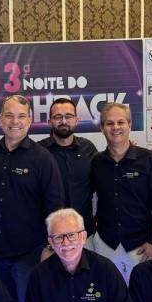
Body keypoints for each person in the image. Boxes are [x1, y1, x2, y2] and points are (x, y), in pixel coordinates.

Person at [0, 95, 64, 302]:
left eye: (21, 116)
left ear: (29, 121)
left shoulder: (43, 159)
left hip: (29, 255)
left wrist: (50, 246)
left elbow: (55, 207)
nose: (15, 121)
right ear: (0, 120)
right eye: (9, 115)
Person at [89, 103, 152, 283]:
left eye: (121, 122)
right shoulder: (96, 162)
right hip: (105, 244)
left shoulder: (148, 159)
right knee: (107, 293)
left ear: (130, 125)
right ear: (102, 128)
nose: (115, 127)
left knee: (142, 294)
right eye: (110, 123)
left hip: (141, 246)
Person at [37, 98, 97, 232]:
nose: (63, 121)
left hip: (83, 232)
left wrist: (125, 149)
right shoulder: (39, 152)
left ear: (76, 120)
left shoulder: (88, 148)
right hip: (49, 234)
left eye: (68, 116)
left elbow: (104, 173)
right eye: (58, 117)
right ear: (49, 121)